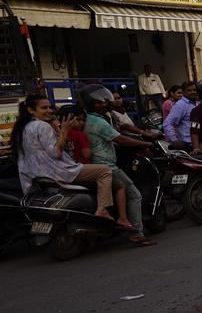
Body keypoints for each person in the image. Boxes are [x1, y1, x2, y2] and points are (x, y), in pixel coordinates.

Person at [12, 95, 126, 229]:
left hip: (35, 175)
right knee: (104, 170)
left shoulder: (23, 128)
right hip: (57, 171)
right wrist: (64, 131)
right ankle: (102, 209)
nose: (49, 110)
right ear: (31, 110)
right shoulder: (42, 126)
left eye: (50, 107)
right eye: (44, 108)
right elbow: (56, 153)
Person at [81, 84, 155, 246]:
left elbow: (122, 129)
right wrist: (144, 144)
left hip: (96, 164)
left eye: (104, 102)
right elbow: (120, 139)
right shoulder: (98, 122)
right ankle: (137, 232)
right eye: (99, 102)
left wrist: (141, 135)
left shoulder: (94, 118)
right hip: (106, 165)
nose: (104, 104)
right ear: (90, 103)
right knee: (134, 194)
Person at [163, 80, 197, 149]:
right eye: (189, 90)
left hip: (199, 142)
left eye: (194, 90)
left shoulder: (197, 103)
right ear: (183, 92)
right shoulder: (180, 105)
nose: (192, 92)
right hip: (187, 144)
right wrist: (174, 140)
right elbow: (167, 123)